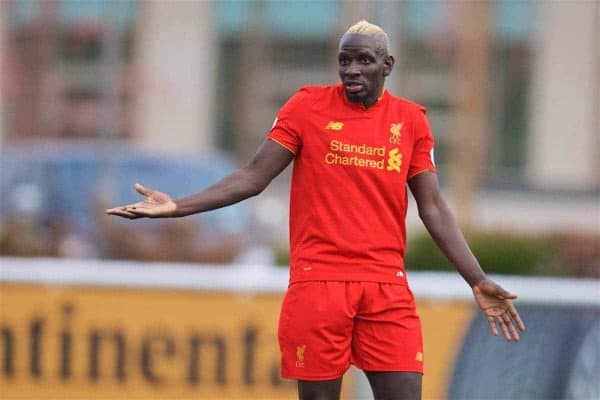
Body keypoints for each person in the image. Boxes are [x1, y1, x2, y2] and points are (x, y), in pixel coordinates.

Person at [107, 20, 525, 400]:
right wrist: (179, 206)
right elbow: (253, 177)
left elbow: (432, 206)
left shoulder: (410, 121)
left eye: (364, 60)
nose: (352, 70)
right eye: (345, 61)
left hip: (386, 286)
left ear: (388, 65)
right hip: (319, 282)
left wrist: (476, 278)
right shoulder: (307, 108)